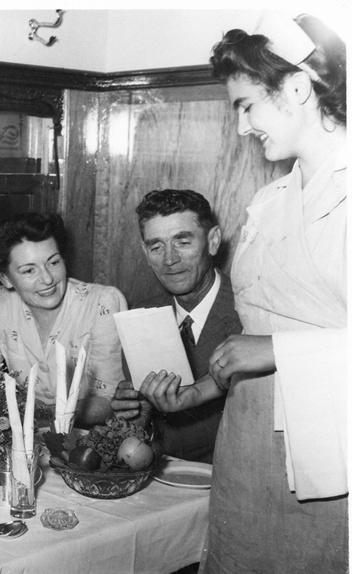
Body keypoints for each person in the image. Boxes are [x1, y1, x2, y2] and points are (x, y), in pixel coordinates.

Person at [143, 14, 347, 572]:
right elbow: (257, 341)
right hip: (247, 448)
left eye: (245, 105)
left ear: (299, 88)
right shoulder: (270, 200)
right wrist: (202, 390)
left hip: (330, 464)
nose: (240, 127)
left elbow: (275, 345)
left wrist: (279, 350)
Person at [0, 212, 127, 427]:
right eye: (29, 270)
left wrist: (28, 416)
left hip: (87, 440)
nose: (47, 279)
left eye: (53, 262)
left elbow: (107, 400)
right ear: (5, 278)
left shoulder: (103, 302)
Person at [110, 189, 242, 463]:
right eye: (156, 246)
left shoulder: (250, 313)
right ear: (145, 253)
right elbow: (136, 441)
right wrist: (136, 414)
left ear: (213, 241)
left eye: (182, 242)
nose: (169, 259)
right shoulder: (140, 318)